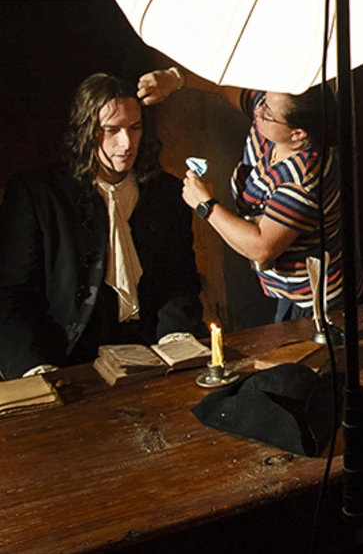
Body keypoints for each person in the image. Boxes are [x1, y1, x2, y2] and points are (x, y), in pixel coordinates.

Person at [0, 74, 204, 378]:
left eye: (134, 128)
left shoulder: (165, 192)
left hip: (150, 346)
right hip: (68, 354)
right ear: (87, 131)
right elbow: (11, 294)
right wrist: (35, 367)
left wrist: (177, 338)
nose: (126, 143)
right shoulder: (35, 194)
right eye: (111, 130)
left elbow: (179, 281)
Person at [137, 67, 342, 322]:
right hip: (281, 287)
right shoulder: (271, 120)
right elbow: (221, 86)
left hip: (312, 301)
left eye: (267, 111)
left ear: (298, 134)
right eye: (264, 99)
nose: (258, 109)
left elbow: (261, 247)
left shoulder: (305, 176)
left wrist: (205, 205)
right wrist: (175, 79)